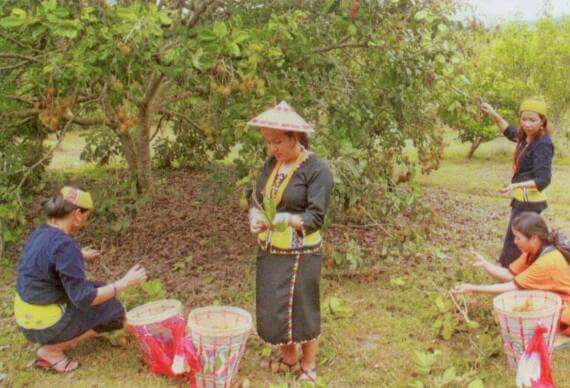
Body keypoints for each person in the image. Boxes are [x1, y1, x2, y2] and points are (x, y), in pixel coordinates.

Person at [14, 186, 148, 373]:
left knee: (101, 288)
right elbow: (84, 298)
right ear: (77, 214)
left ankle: (55, 338)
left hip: (26, 317)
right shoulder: (65, 246)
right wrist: (125, 282)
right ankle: (51, 350)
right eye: (86, 216)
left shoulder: (42, 232)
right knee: (114, 312)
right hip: (43, 324)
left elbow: (47, 256)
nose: (85, 221)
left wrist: (79, 254)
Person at [247, 101, 334, 383]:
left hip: (302, 252)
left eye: (278, 142)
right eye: (268, 142)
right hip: (271, 249)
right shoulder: (272, 164)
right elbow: (257, 198)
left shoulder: (317, 170)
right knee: (274, 303)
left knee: (302, 305)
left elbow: (315, 216)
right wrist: (255, 217)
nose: (273, 149)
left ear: (295, 138)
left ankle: (308, 365)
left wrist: (285, 219)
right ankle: (289, 356)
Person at [453, 212, 570, 347]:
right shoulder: (532, 251)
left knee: (525, 297)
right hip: (560, 299)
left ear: (534, 238)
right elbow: (509, 275)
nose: (514, 242)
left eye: (518, 238)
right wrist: (485, 264)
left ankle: (559, 332)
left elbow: (513, 286)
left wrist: (473, 288)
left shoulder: (548, 261)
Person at [480, 97, 554, 267]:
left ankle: (510, 268)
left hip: (531, 202)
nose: (527, 124)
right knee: (517, 234)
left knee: (520, 236)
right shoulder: (524, 136)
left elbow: (543, 179)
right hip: (522, 198)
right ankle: (509, 266)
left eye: (532, 120)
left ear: (542, 121)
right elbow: (508, 131)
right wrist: (493, 114)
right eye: (524, 119)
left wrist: (515, 185)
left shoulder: (543, 143)